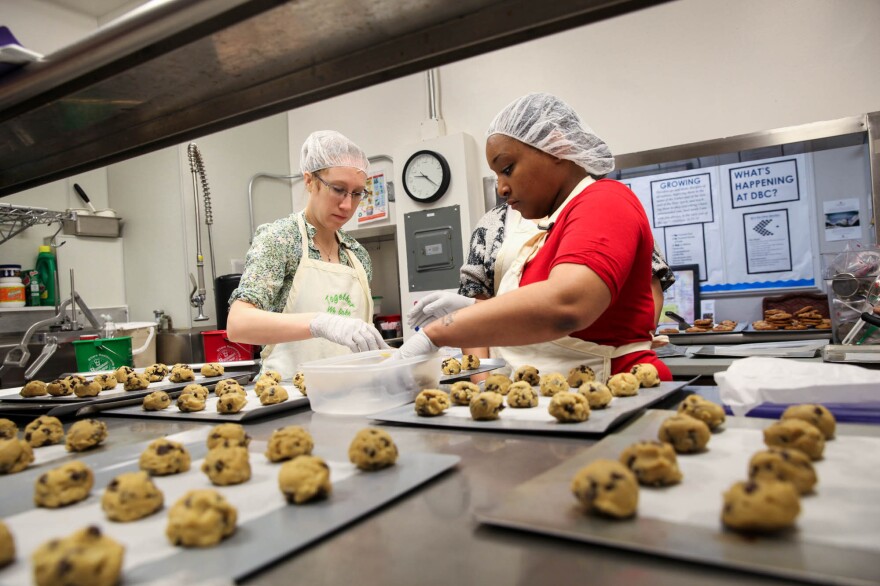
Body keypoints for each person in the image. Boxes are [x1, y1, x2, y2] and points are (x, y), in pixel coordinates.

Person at [396, 93, 671, 381]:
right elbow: (535, 311)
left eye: (507, 169)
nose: (501, 188)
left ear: (555, 147)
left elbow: (566, 304)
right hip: (557, 400)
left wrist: (436, 333)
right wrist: (473, 307)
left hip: (610, 395)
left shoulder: (606, 201)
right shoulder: (553, 223)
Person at [227, 130, 387, 379]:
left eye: (357, 193)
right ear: (309, 181)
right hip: (285, 396)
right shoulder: (280, 239)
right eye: (338, 189)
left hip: (349, 394)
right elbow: (238, 324)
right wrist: (320, 324)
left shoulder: (357, 255)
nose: (347, 205)